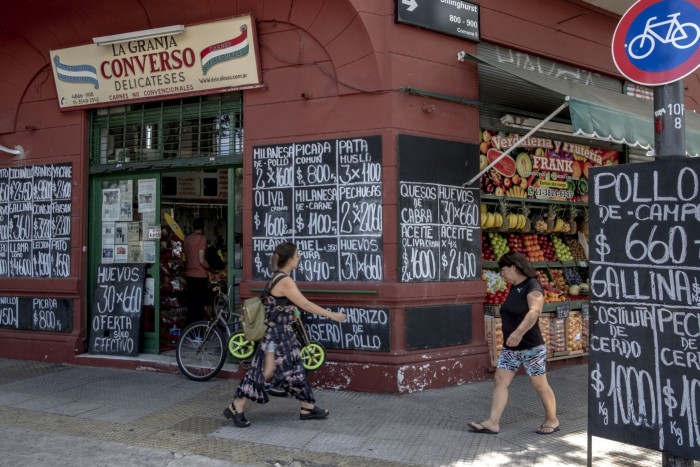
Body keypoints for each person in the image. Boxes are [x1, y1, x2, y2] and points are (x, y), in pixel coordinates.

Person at [223, 241, 347, 428]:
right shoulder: (285, 280)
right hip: (277, 336)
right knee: (264, 371)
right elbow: (305, 304)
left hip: (281, 334)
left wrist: (292, 313)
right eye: (297, 255)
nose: (299, 258)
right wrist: (332, 315)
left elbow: (281, 303)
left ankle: (307, 406)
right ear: (289, 260)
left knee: (294, 369)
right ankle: (236, 405)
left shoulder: (277, 276)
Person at [468, 251, 560, 435]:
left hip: (531, 347)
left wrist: (518, 332)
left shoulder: (532, 285)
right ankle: (492, 422)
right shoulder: (514, 287)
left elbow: (535, 311)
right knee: (500, 380)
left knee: (539, 384)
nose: (502, 273)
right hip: (511, 348)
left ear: (514, 267)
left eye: (503, 269)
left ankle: (553, 420)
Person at [183, 217, 215, 325]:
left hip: (189, 275)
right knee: (199, 306)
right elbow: (201, 260)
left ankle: (188, 331)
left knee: (190, 305)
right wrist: (211, 269)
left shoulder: (187, 239)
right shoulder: (202, 239)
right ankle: (197, 331)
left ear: (192, 227)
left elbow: (186, 257)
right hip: (200, 277)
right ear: (203, 228)